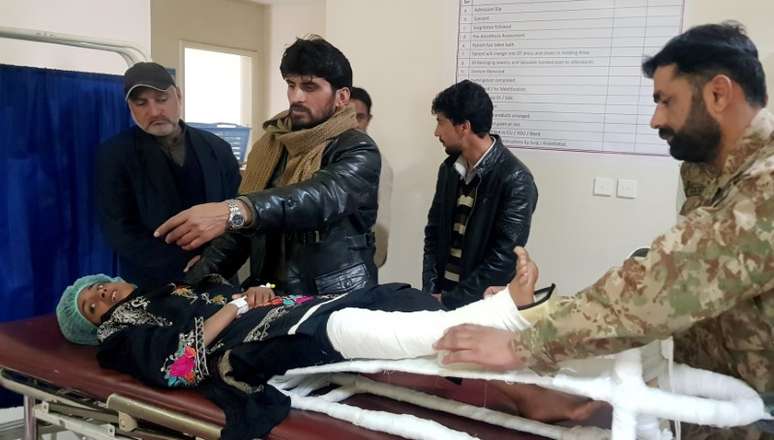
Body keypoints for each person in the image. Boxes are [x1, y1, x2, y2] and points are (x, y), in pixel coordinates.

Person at [435, 22, 773, 439]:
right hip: (717, 413)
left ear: (719, 94)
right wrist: (533, 311)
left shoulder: (766, 186)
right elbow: (668, 274)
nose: (655, 119)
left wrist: (520, 343)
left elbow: (664, 284)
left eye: (667, 101)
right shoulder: (714, 177)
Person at [55, 249, 598, 440]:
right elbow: (176, 369)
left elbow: (225, 300)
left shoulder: (169, 287)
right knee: (351, 330)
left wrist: (247, 293)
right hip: (248, 347)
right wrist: (237, 308)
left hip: (276, 311)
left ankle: (522, 386)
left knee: (395, 297)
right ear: (98, 326)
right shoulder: (119, 340)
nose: (99, 296)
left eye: (95, 288)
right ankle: (503, 313)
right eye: (92, 307)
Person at [153, 36, 381, 296]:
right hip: (269, 292)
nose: (296, 96)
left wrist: (233, 211)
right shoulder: (272, 145)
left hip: (334, 298)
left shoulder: (359, 148)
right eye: (291, 85)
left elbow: (317, 197)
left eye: (309, 87)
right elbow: (242, 231)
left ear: (341, 97)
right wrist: (187, 288)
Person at [96, 62, 241, 287]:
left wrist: (213, 261)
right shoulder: (114, 156)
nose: (154, 112)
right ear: (130, 107)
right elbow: (119, 230)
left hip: (220, 275)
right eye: (141, 103)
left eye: (161, 99)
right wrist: (184, 266)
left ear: (179, 97)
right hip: (153, 285)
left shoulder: (217, 149)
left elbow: (237, 211)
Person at [424, 80, 538, 309]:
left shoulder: (516, 179)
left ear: (463, 127)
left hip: (482, 305)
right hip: (441, 299)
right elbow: (433, 235)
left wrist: (450, 300)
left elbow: (503, 259)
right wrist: (431, 292)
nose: (437, 132)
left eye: (441, 122)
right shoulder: (448, 170)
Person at [350, 86, 393, 268]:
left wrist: (373, 262)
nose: (354, 123)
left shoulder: (378, 163)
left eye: (360, 117)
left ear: (368, 119)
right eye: (347, 116)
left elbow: (381, 219)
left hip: (359, 263)